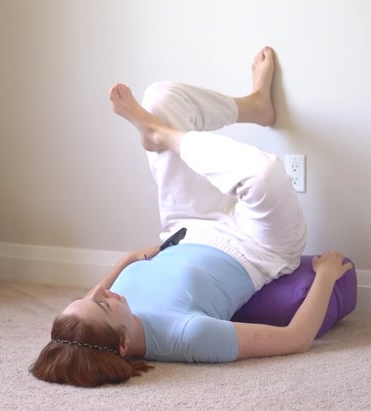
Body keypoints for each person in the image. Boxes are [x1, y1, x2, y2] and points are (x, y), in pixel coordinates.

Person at [29, 46, 353, 387]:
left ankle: (256, 104)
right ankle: (162, 136)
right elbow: (295, 339)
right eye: (104, 305)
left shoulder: (97, 316)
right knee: (264, 173)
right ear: (123, 346)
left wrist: (128, 259)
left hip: (188, 228)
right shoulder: (187, 335)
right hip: (256, 248)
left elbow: (94, 296)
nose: (101, 293)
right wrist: (326, 276)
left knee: (161, 96)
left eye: (87, 298)